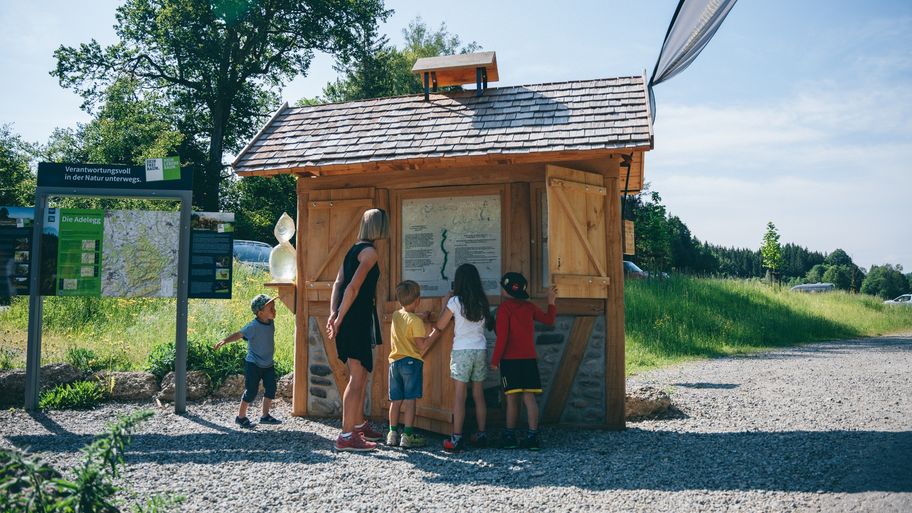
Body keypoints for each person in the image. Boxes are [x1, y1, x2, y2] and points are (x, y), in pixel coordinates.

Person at [326, 208, 389, 452]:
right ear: (379, 227)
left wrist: (334, 312)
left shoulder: (353, 250)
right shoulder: (370, 253)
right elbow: (351, 287)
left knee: (361, 373)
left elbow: (338, 284)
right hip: (356, 319)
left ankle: (359, 425)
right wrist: (339, 318)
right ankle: (346, 435)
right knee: (357, 376)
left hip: (352, 317)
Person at [427, 263, 494, 452]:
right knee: (479, 394)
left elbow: (440, 325)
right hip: (479, 350)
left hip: (461, 351)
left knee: (459, 396)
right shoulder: (482, 301)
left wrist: (443, 305)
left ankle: (456, 438)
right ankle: (481, 434)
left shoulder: (455, 302)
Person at [490, 272, 557, 451]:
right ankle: (532, 436)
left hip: (510, 361)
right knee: (529, 398)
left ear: (505, 290)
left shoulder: (504, 309)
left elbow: (502, 338)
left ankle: (510, 436)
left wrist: (495, 360)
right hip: (529, 359)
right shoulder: (529, 307)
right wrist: (551, 301)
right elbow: (549, 320)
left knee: (512, 399)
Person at [214, 293, 281, 428]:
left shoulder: (270, 322)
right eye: (270, 308)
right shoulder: (252, 326)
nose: (274, 310)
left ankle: (265, 416)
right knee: (251, 391)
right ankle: (241, 417)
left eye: (274, 307)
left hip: (268, 363)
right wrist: (224, 341)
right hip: (254, 364)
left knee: (271, 389)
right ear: (260, 312)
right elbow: (239, 334)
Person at [387, 280, 433, 448]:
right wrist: (434, 333)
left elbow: (406, 317)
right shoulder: (417, 323)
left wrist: (420, 316)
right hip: (411, 363)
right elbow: (421, 345)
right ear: (418, 300)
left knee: (396, 401)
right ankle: (407, 436)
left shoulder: (396, 315)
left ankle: (392, 434)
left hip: (394, 363)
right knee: (410, 401)